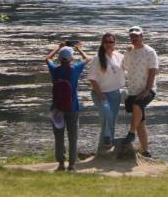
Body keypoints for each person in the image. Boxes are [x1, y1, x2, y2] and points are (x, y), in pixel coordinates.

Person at [45, 41, 90, 172]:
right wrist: (79, 49)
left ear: (59, 58)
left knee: (59, 137)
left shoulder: (55, 70)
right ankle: (72, 165)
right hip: (73, 107)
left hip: (56, 108)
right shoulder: (75, 69)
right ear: (71, 58)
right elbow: (87, 59)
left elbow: (47, 59)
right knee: (73, 136)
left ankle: (60, 165)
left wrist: (58, 48)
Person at [121, 26, 158, 157]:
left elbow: (153, 71)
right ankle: (146, 151)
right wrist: (126, 52)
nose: (134, 38)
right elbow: (123, 66)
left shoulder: (150, 51)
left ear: (142, 36)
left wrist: (147, 90)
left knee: (137, 105)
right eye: (132, 36)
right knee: (140, 121)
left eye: (136, 36)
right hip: (132, 90)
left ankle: (131, 133)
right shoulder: (129, 51)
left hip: (148, 89)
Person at [87, 33, 125, 153]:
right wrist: (100, 94)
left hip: (115, 93)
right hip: (100, 93)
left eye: (111, 42)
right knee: (106, 112)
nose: (109, 44)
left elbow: (130, 63)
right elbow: (92, 79)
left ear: (114, 43)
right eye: (106, 42)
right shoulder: (97, 59)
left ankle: (104, 150)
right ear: (103, 44)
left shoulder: (118, 56)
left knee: (110, 122)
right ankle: (106, 142)